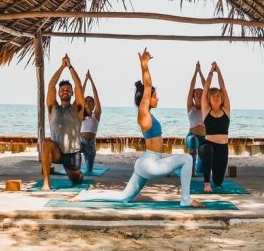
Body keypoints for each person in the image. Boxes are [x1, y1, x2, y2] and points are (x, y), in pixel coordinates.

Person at [75, 49, 203, 207]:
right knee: (187, 158)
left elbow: (147, 89)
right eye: (154, 96)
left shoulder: (148, 115)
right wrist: (144, 65)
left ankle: (85, 196)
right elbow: (147, 87)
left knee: (123, 197)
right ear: (146, 99)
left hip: (148, 162)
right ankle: (186, 199)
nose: (157, 98)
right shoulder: (144, 114)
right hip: (151, 164)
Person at [40, 54, 85, 190]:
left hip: (73, 154)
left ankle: (77, 173)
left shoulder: (77, 108)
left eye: (68, 90)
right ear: (59, 93)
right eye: (62, 90)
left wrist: (69, 66)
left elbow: (78, 86)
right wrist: (61, 67)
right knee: (45, 143)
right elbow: (51, 86)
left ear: (71, 93)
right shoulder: (52, 108)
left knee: (76, 179)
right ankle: (46, 183)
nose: (65, 91)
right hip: (57, 152)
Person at [199, 61, 231, 193]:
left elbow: (223, 87)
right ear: (209, 99)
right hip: (207, 145)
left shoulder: (226, 110)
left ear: (222, 98)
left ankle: (212, 173)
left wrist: (219, 72)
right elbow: (206, 89)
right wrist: (211, 72)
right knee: (208, 150)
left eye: (218, 96)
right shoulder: (206, 110)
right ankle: (206, 183)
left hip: (222, 149)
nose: (215, 97)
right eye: (212, 96)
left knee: (218, 181)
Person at [185, 62, 207, 175]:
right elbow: (191, 87)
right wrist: (196, 71)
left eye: (201, 93)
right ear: (193, 97)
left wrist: (200, 72)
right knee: (194, 139)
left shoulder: (206, 108)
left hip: (203, 138)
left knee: (202, 169)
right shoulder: (190, 106)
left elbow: (206, 87)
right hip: (191, 137)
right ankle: (191, 167)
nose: (198, 95)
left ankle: (198, 166)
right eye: (196, 93)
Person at [80, 70, 102, 173]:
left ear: (94, 105)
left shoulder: (96, 115)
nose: (88, 102)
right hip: (80, 141)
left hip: (91, 143)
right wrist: (85, 80)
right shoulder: (80, 115)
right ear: (83, 104)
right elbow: (80, 95)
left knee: (89, 169)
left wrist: (91, 80)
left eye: (90, 101)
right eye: (86, 100)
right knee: (74, 161)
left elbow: (96, 95)